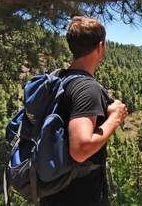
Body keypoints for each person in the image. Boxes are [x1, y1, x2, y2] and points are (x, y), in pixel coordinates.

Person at [40, 16, 128, 206]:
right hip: (81, 196)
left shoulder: (59, 78)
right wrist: (115, 118)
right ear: (100, 47)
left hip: (53, 192)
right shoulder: (87, 87)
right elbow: (80, 149)